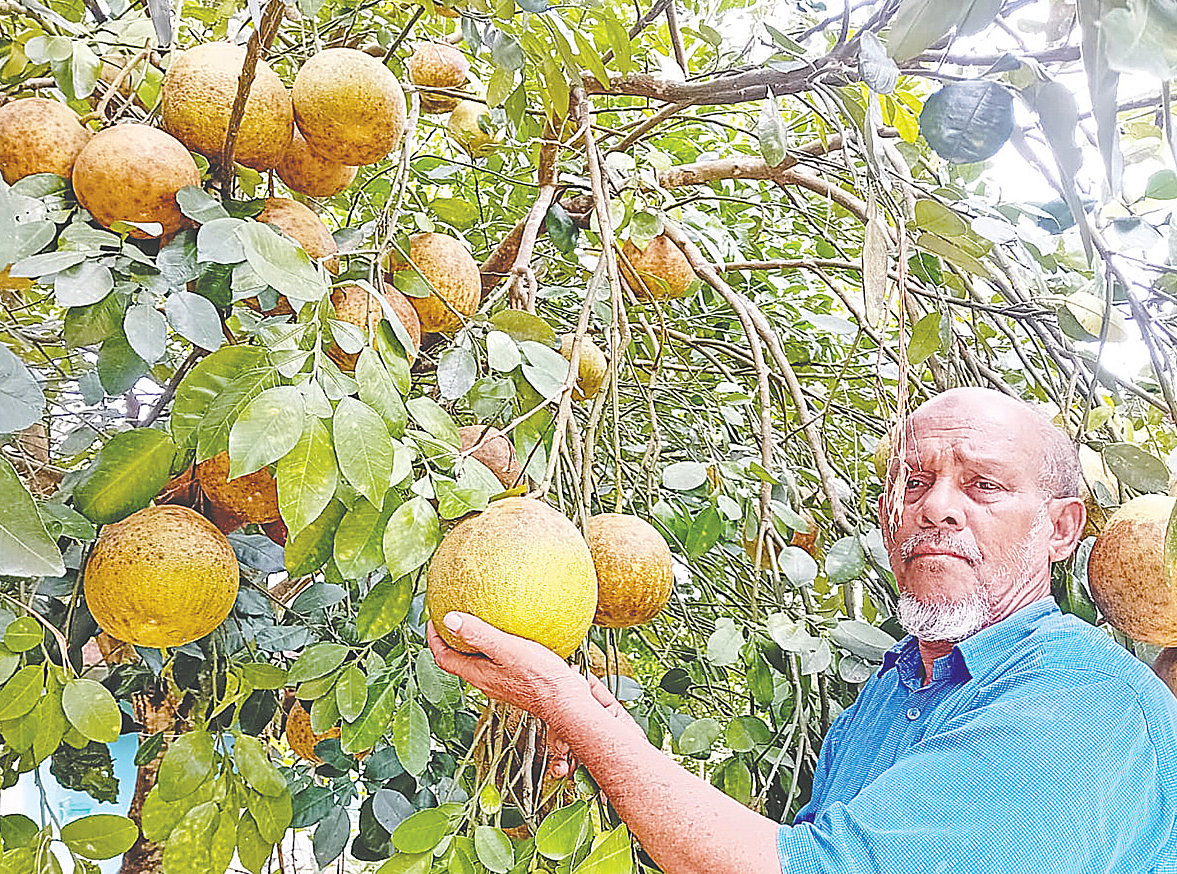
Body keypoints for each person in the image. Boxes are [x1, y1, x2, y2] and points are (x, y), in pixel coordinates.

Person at [429, 387, 1177, 874]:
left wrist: (578, 719)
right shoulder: (890, 693)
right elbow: (794, 853)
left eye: (982, 486)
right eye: (913, 482)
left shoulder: (1086, 705)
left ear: (1059, 528)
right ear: (886, 512)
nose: (935, 508)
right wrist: (594, 719)